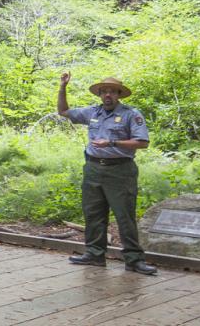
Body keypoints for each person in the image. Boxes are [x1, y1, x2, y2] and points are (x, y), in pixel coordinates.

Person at [58, 72, 156, 275]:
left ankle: (134, 259)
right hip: (93, 169)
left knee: (124, 216)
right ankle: (94, 254)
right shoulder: (93, 112)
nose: (108, 95)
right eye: (104, 92)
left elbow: (142, 142)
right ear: (100, 95)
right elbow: (64, 111)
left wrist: (112, 142)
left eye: (112, 91)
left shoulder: (131, 114)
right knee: (93, 213)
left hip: (120, 170)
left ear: (119, 94)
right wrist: (63, 87)